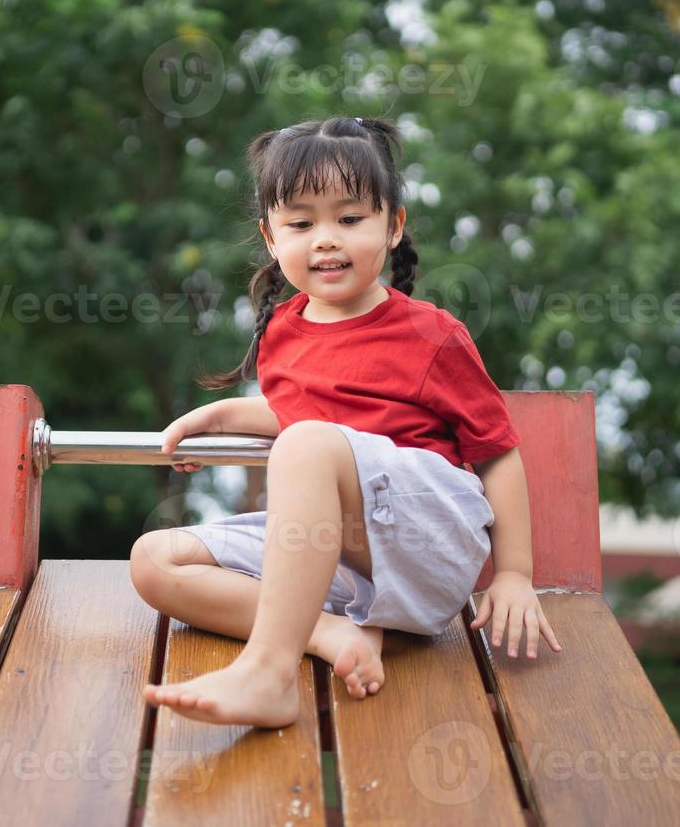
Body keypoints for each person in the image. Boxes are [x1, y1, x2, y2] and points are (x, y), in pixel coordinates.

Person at [130, 116, 561, 728]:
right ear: (271, 238)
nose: (325, 239)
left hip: (425, 546)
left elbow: (496, 450)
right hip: (335, 562)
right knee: (153, 559)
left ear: (394, 226)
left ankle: (268, 673)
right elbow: (311, 417)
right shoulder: (283, 331)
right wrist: (223, 414)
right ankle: (329, 633)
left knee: (305, 446)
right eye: (301, 223)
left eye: (350, 219)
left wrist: (515, 574)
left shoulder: (430, 334)